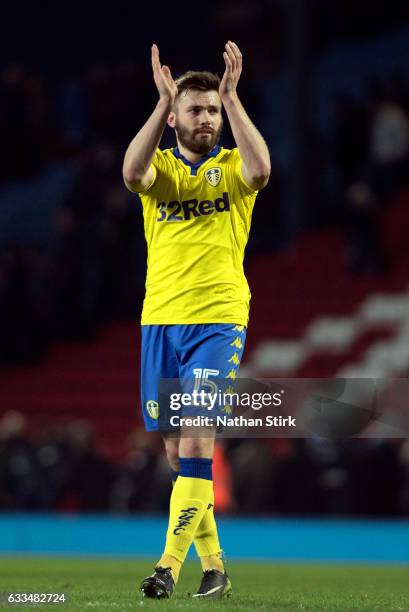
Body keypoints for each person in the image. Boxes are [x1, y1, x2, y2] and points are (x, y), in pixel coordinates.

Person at [122, 40, 270, 599]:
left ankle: (165, 567)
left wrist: (234, 99)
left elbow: (262, 169)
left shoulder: (233, 168)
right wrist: (160, 104)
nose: (205, 118)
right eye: (196, 109)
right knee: (175, 453)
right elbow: (131, 171)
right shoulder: (160, 169)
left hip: (217, 319)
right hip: (160, 318)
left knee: (197, 442)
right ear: (177, 116)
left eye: (212, 110)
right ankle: (216, 568)